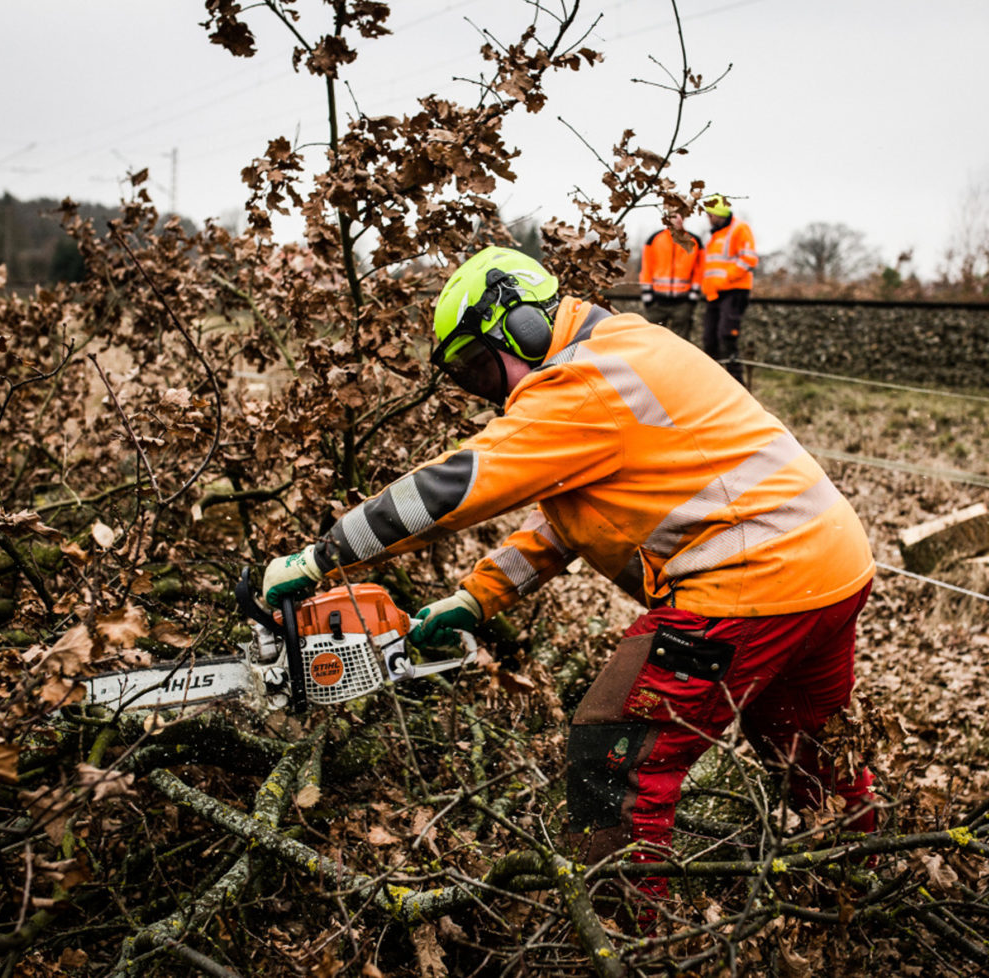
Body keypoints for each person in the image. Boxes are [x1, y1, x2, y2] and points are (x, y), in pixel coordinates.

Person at [262, 245, 877, 928]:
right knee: (808, 748)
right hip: (830, 571)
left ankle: (637, 941)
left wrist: (325, 555)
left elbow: (453, 488)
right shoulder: (616, 350)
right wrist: (478, 596)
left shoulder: (582, 383)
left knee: (613, 761)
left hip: (751, 585)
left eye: (475, 367)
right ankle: (871, 883)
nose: (483, 390)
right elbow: (568, 522)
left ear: (518, 327)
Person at [701, 194, 757, 384]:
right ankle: (712, 384)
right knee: (710, 340)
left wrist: (726, 279)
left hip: (734, 291)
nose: (708, 218)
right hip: (714, 294)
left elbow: (749, 258)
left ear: (719, 213)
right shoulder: (715, 235)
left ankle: (737, 384)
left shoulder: (739, 229)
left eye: (711, 214)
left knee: (726, 337)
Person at [638, 213, 704, 341]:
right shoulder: (654, 239)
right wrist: (648, 298)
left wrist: (692, 298)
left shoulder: (694, 241)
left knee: (681, 342)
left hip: (683, 302)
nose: (676, 219)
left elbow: (699, 271)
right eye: (673, 216)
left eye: (679, 215)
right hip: (657, 301)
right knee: (651, 340)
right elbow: (646, 269)